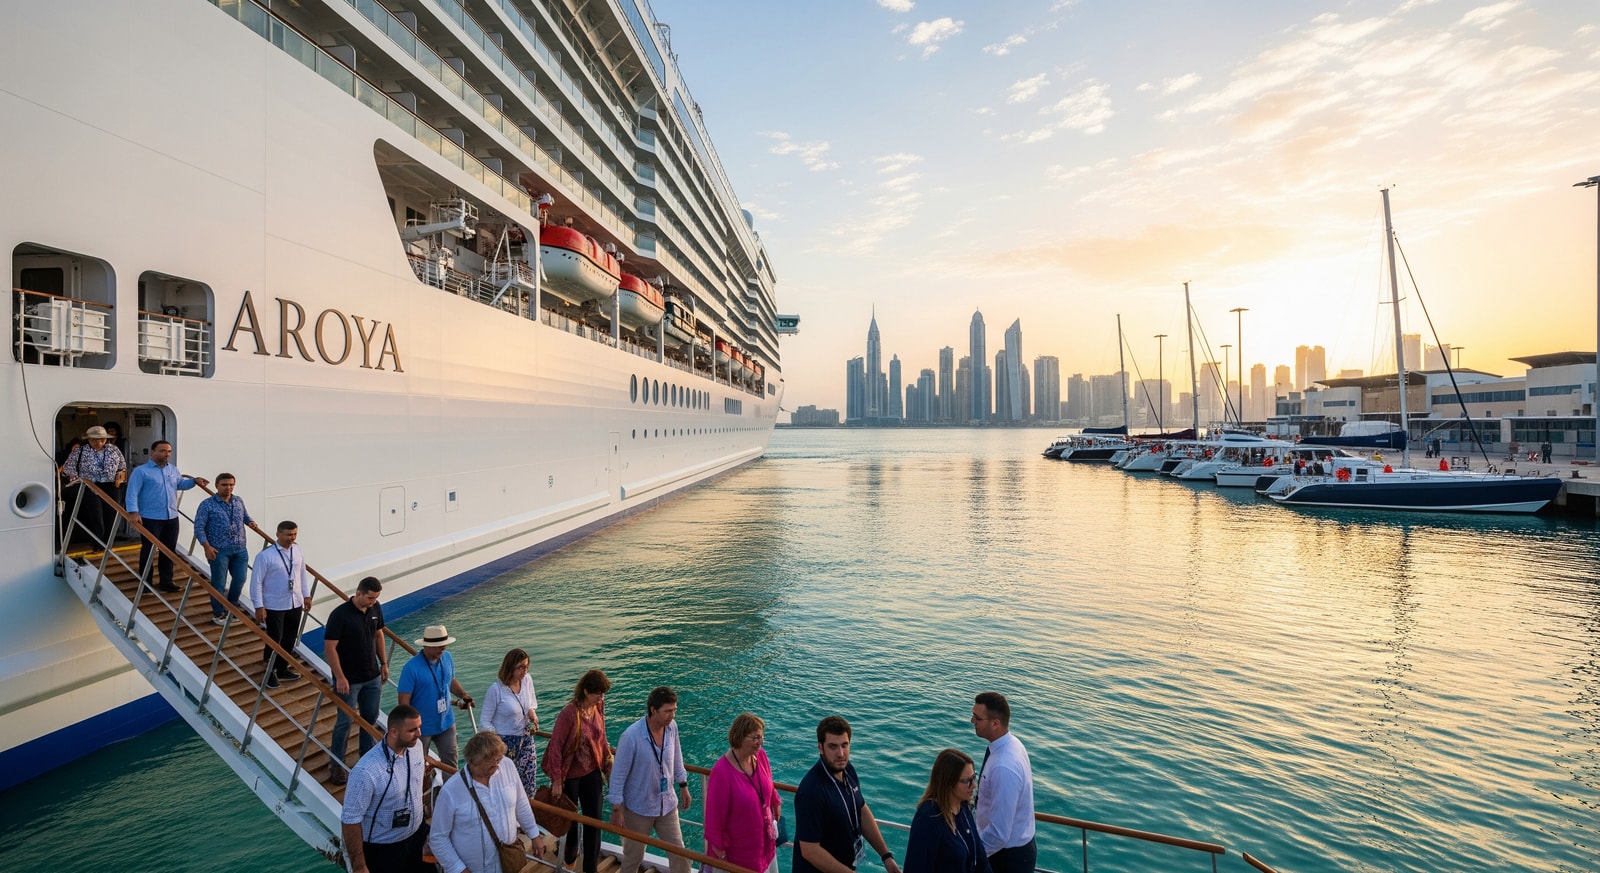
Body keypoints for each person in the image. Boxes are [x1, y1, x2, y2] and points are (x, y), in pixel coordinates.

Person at [430, 730, 549, 873]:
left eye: (498, 758)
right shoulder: (450, 792)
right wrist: (458, 868)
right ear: (473, 761)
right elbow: (438, 838)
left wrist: (534, 836)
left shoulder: (507, 765)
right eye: (491, 761)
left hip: (508, 861)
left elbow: (521, 803)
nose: (497, 764)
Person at [793, 715, 899, 873]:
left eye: (845, 745)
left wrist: (886, 857)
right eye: (833, 747)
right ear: (820, 747)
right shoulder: (811, 791)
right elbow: (810, 850)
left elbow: (861, 809)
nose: (841, 754)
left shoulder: (848, 769)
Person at [608, 687, 692, 873]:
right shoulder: (631, 737)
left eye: (674, 710)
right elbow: (618, 775)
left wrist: (683, 785)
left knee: (680, 854)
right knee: (633, 857)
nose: (672, 715)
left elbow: (677, 757)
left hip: (667, 804)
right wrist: (616, 809)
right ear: (653, 710)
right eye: (668, 711)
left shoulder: (672, 728)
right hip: (638, 807)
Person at [340, 703, 431, 873]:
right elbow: (350, 820)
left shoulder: (416, 747)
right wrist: (359, 866)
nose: (419, 734)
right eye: (412, 730)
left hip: (417, 837)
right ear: (394, 732)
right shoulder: (366, 772)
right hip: (383, 849)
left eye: (419, 727)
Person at [543, 669, 614, 873]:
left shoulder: (598, 706)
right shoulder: (569, 714)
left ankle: (591, 867)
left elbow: (601, 735)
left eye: (603, 693)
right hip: (570, 776)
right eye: (598, 693)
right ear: (585, 691)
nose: (601, 697)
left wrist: (607, 756)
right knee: (571, 822)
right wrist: (557, 780)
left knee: (594, 821)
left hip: (592, 771)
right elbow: (556, 746)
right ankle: (569, 858)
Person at [325, 576, 389, 785]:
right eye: (370, 598)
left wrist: (384, 663)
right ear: (359, 593)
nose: (372, 602)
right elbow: (330, 648)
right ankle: (336, 765)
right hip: (349, 680)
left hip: (372, 676)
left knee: (370, 719)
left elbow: (379, 635)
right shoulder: (339, 615)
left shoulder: (375, 609)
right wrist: (340, 677)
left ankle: (367, 759)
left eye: (375, 598)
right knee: (344, 722)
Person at [125, 439, 207, 592]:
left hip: (171, 517)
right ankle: (145, 583)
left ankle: (166, 581)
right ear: (153, 452)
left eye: (169, 451)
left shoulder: (173, 470)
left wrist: (194, 481)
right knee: (148, 550)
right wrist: (133, 512)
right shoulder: (141, 471)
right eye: (162, 451)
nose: (166, 454)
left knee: (169, 550)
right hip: (150, 517)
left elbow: (180, 484)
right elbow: (132, 493)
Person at [703, 713, 781, 873]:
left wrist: (775, 800)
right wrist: (719, 847)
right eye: (755, 738)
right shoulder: (722, 772)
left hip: (764, 842)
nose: (761, 742)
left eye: (762, 736)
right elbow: (714, 815)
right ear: (740, 737)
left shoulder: (760, 756)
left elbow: (768, 783)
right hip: (739, 851)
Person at [970, 693, 1034, 873]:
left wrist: (971, 856)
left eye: (977, 718)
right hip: (1011, 852)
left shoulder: (1003, 765)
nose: (972, 720)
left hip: (1004, 858)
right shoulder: (1012, 744)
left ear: (995, 723)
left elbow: (999, 833)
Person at [397, 624, 473, 769]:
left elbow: (450, 681)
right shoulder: (411, 668)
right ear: (427, 646)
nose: (443, 649)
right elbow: (403, 703)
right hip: (421, 728)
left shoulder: (447, 657)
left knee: (451, 761)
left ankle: (450, 791)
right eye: (438, 646)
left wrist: (463, 695)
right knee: (417, 765)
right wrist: (410, 729)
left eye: (444, 645)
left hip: (446, 722)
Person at [250, 520, 314, 689]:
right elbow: (256, 582)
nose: (291, 538)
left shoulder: (297, 551)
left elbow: (302, 574)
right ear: (278, 534)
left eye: (294, 534)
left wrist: (306, 595)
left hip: (294, 602)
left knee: (289, 638)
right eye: (288, 535)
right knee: (274, 639)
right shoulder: (265, 556)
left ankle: (282, 667)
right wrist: (258, 606)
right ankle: (269, 672)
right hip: (274, 604)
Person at [904, 749, 988, 873]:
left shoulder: (964, 808)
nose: (974, 785)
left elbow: (981, 859)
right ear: (949, 783)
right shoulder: (929, 818)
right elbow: (916, 867)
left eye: (973, 777)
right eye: (967, 781)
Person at [193, 472, 256, 625]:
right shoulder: (207, 504)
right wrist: (206, 547)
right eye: (225, 485)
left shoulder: (238, 501)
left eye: (231, 484)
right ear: (217, 486)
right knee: (219, 583)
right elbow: (199, 527)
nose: (228, 487)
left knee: (240, 579)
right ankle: (218, 612)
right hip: (219, 550)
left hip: (240, 548)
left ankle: (231, 607)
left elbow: (245, 516)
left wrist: (251, 522)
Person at [483, 647, 540, 796]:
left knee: (529, 779)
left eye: (527, 666)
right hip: (504, 742)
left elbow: (530, 703)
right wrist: (497, 743)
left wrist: (532, 713)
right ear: (510, 667)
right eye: (520, 667)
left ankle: (526, 813)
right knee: (505, 784)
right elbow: (485, 721)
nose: (524, 671)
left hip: (526, 738)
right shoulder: (496, 690)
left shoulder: (527, 680)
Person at [61, 425, 127, 547]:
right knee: (96, 516)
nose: (98, 442)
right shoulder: (80, 451)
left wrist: (119, 477)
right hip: (90, 487)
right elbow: (68, 468)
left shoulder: (114, 449)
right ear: (88, 439)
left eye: (102, 439)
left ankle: (108, 544)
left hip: (111, 486)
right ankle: (97, 543)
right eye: (94, 440)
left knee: (111, 515)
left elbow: (122, 466)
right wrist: (79, 478)